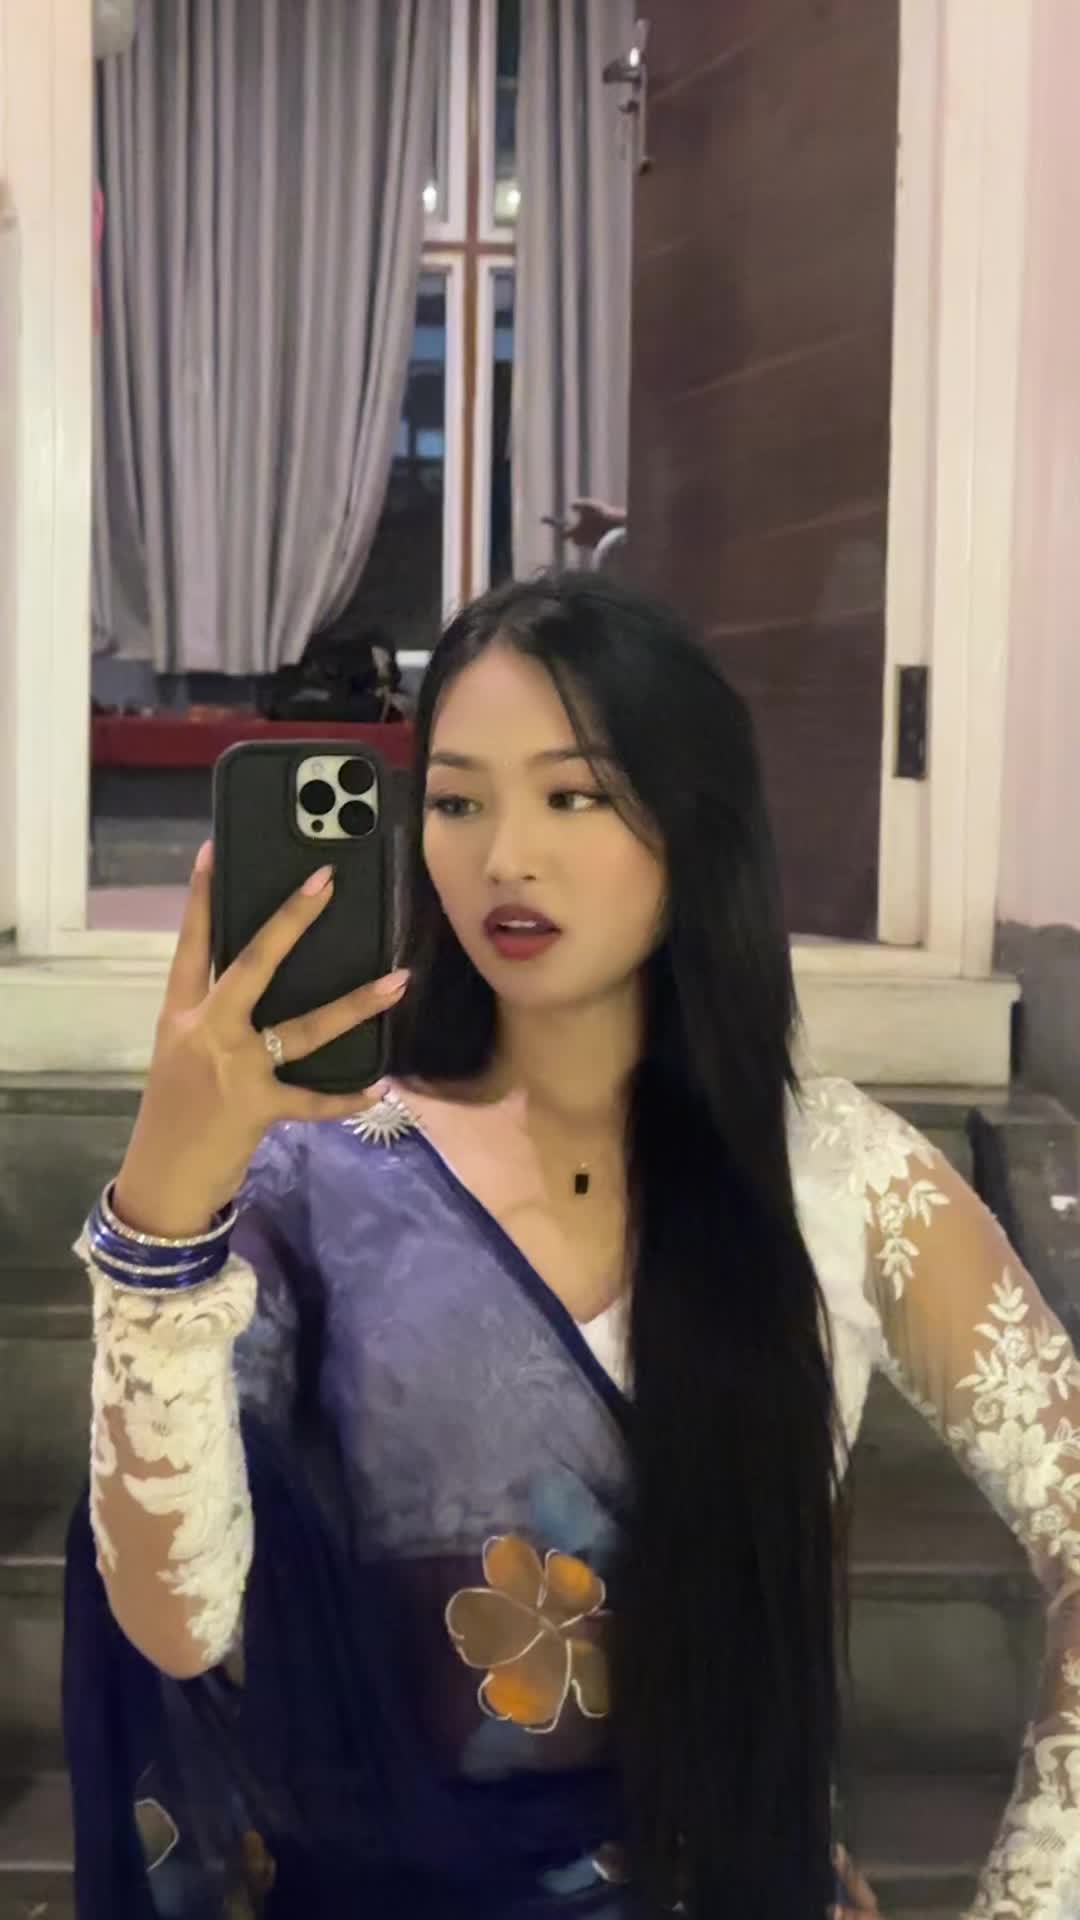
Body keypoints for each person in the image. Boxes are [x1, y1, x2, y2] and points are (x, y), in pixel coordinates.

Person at [64, 574, 1080, 1919]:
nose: (506, 857)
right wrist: (162, 1215)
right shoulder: (314, 1176)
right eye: (458, 802)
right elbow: (177, 1624)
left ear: (694, 823)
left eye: (575, 795)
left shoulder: (841, 1179)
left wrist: (1031, 1892)